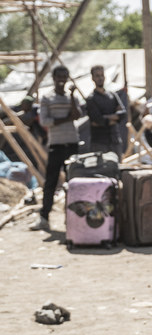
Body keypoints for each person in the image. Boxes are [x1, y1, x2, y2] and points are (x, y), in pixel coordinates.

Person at [29, 66, 82, 231]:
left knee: (72, 183)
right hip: (56, 145)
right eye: (59, 76)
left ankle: (72, 218)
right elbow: (45, 122)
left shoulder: (71, 97)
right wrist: (67, 118)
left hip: (72, 144)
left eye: (64, 77)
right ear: (53, 78)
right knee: (50, 182)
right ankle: (44, 217)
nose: (62, 80)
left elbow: (78, 115)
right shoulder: (47, 98)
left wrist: (72, 96)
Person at [85, 65, 126, 159]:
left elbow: (123, 114)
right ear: (93, 78)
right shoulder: (91, 99)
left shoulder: (112, 95)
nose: (100, 78)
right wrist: (114, 118)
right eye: (97, 76)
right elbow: (97, 120)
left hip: (114, 140)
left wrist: (106, 118)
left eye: (102, 75)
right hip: (99, 142)